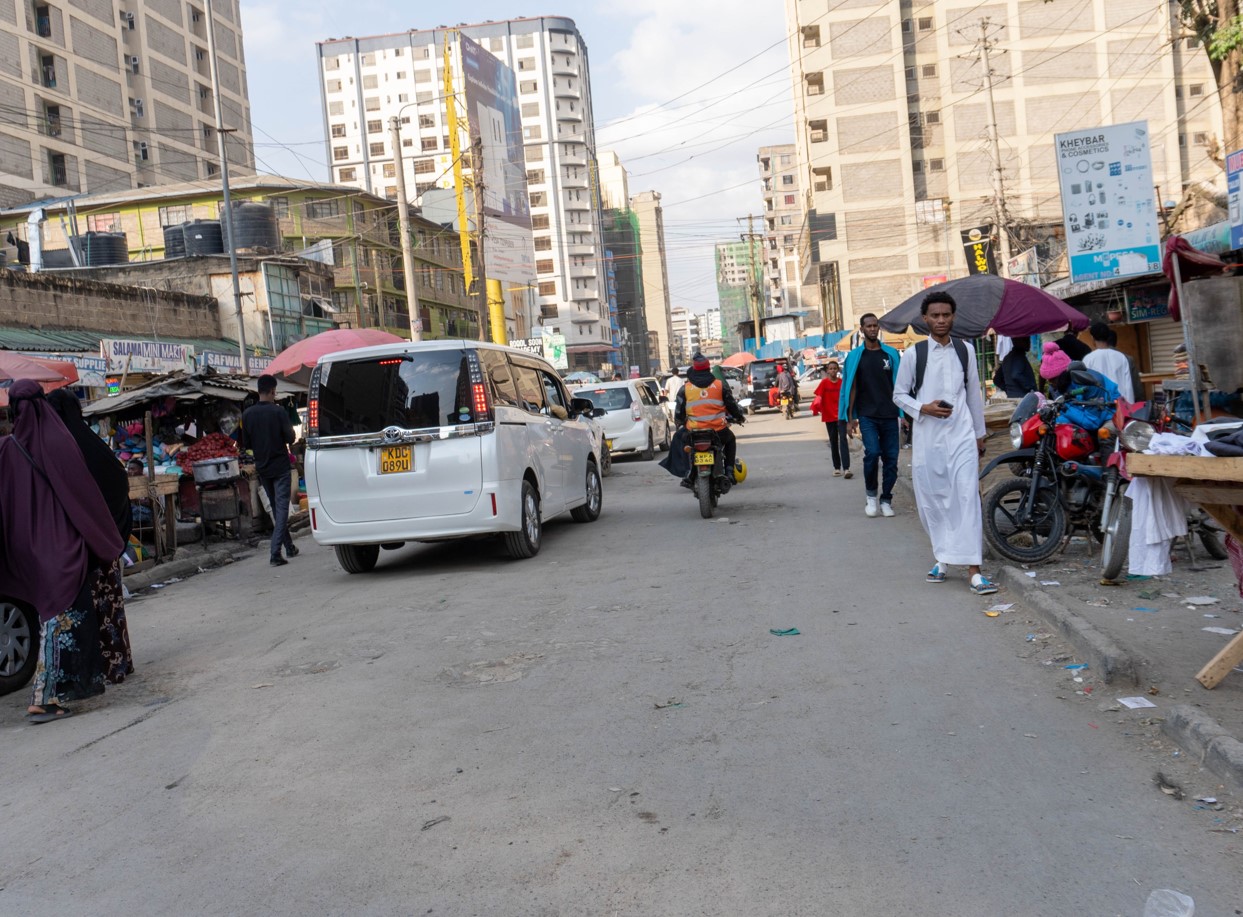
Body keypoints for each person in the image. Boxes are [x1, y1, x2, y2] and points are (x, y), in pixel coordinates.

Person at [0, 380, 123, 723]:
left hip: (25, 551)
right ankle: (43, 696)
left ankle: (57, 691)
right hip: (59, 550)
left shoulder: (7, 449)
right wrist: (104, 538)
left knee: (50, 619)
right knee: (58, 622)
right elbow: (82, 495)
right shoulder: (57, 441)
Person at [893, 292, 998, 596]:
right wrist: (923, 408)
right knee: (934, 500)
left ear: (954, 317)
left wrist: (979, 435)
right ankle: (943, 558)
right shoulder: (915, 355)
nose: (941, 320)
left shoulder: (965, 351)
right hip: (928, 439)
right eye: (935, 316)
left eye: (946, 315)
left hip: (962, 435)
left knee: (966, 497)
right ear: (925, 319)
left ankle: (974, 570)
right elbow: (899, 395)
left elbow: (975, 397)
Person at [46, 389, 135, 684]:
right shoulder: (91, 443)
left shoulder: (61, 448)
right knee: (109, 604)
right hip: (104, 543)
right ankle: (117, 664)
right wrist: (109, 528)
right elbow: (118, 481)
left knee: (86, 608)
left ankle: (89, 671)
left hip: (79, 546)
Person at [839, 312, 903, 517]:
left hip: (890, 414)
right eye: (869, 326)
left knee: (891, 459)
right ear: (862, 330)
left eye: (875, 326)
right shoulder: (855, 356)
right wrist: (849, 419)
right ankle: (870, 496)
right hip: (867, 415)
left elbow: (900, 386)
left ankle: (886, 499)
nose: (873, 329)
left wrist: (904, 414)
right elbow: (851, 388)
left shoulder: (891, 355)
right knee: (873, 453)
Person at [239, 374, 299, 567]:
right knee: (281, 509)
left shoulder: (247, 415)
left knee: (276, 507)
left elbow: (246, 444)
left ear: (258, 391)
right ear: (273, 391)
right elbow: (290, 438)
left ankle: (289, 547)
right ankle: (275, 553)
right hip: (280, 467)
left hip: (263, 468)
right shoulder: (278, 412)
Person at [675, 352, 745, 473]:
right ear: (709, 369)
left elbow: (679, 411)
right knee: (730, 440)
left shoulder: (685, 388)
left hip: (694, 432)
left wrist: (680, 421)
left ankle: (688, 472)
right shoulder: (719, 385)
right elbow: (731, 405)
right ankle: (729, 470)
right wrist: (739, 417)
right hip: (718, 431)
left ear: (694, 369)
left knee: (684, 444)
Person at [1039, 344, 1120, 431]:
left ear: (1065, 373)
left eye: (1053, 379)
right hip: (1083, 415)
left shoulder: (1091, 383)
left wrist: (1065, 408)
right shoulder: (1061, 384)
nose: (1051, 384)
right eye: (1049, 380)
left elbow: (1092, 423)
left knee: (1105, 435)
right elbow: (1065, 414)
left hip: (1109, 413)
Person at [813, 360, 852, 478]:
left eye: (835, 368)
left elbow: (847, 398)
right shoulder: (824, 383)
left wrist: (850, 417)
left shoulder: (842, 383)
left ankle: (846, 468)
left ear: (838, 370)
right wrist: (817, 405)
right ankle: (836, 468)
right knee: (833, 442)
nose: (833, 370)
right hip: (829, 416)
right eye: (830, 368)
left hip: (841, 416)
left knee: (843, 441)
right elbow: (818, 397)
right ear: (827, 371)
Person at [1083, 321, 1135, 402]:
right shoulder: (1121, 357)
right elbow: (1128, 386)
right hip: (1120, 405)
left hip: (1100, 406)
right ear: (1108, 337)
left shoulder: (1088, 359)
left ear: (1093, 338)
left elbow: (1086, 386)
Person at [994, 335, 1038, 399]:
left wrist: (1009, 390)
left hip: (1012, 397)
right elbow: (1016, 375)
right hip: (1023, 398)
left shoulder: (1007, 358)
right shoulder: (1019, 357)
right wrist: (1030, 388)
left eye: (1028, 340)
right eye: (1025, 340)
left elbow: (996, 379)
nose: (1029, 343)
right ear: (1016, 341)